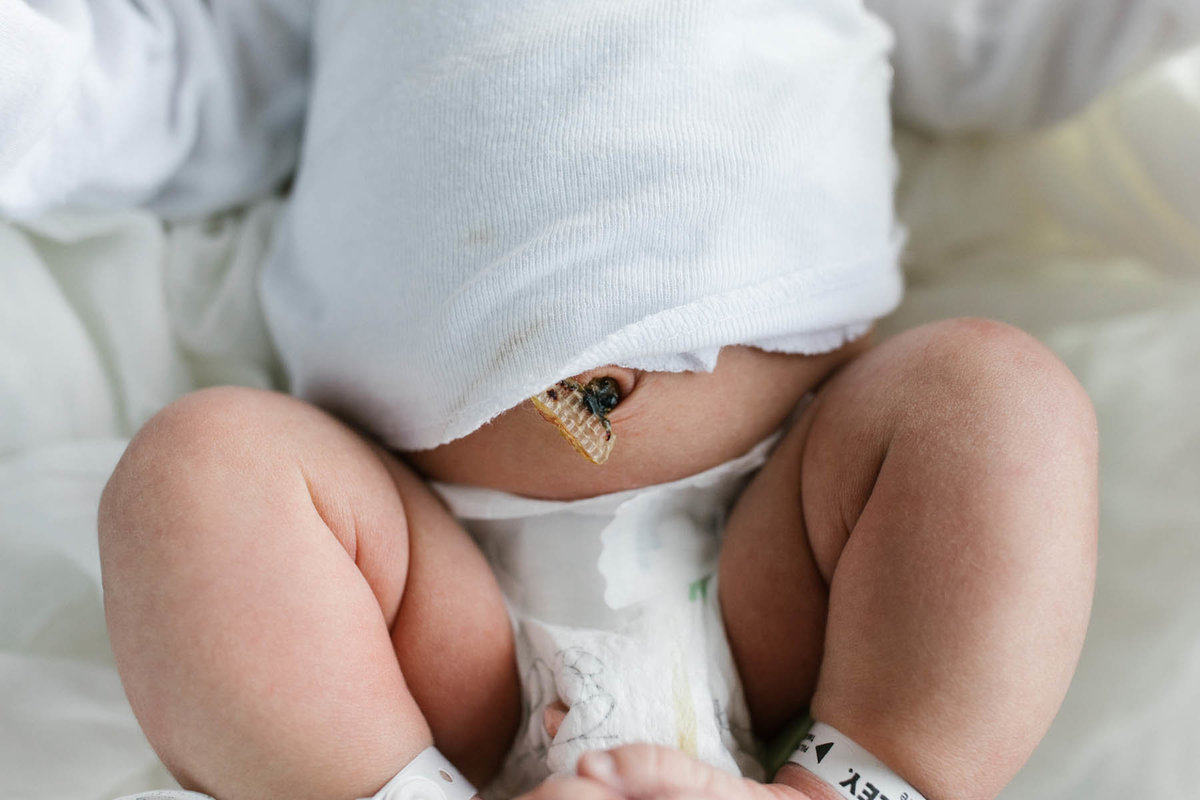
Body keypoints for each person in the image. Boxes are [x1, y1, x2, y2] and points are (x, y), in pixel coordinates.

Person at [2, 2, 1195, 799]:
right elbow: (171, 84)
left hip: (792, 523)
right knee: (198, 476)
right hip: (418, 572)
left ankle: (861, 779)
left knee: (998, 400)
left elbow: (1011, 39)